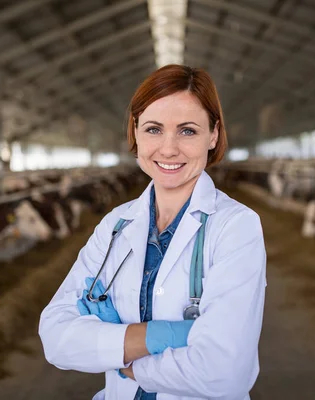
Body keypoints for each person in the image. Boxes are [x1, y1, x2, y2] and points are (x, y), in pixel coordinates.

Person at [39, 64, 267, 400]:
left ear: (213, 135)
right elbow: (55, 337)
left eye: (188, 131)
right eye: (153, 129)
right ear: (135, 132)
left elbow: (224, 372)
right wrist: (160, 337)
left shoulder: (236, 226)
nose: (169, 148)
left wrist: (125, 360)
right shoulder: (116, 226)